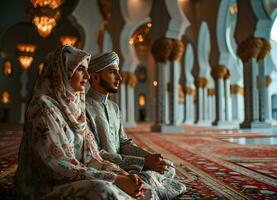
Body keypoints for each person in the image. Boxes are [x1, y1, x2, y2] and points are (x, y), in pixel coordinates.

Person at [15, 45, 155, 200]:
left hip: (82, 175)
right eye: (80, 69)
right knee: (103, 190)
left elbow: (93, 157)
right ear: (62, 71)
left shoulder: (76, 108)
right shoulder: (42, 107)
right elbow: (57, 167)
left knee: (143, 187)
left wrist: (121, 174)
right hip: (48, 186)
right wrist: (114, 179)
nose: (87, 76)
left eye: (87, 70)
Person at [86, 51, 186, 199]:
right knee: (144, 179)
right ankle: (146, 185)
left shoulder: (114, 107)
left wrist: (149, 158)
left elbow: (123, 142)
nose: (119, 78)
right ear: (95, 77)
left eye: (118, 73)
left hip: (128, 165)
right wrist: (143, 163)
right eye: (113, 73)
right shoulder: (84, 108)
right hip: (110, 168)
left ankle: (147, 184)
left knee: (168, 166)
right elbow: (96, 155)